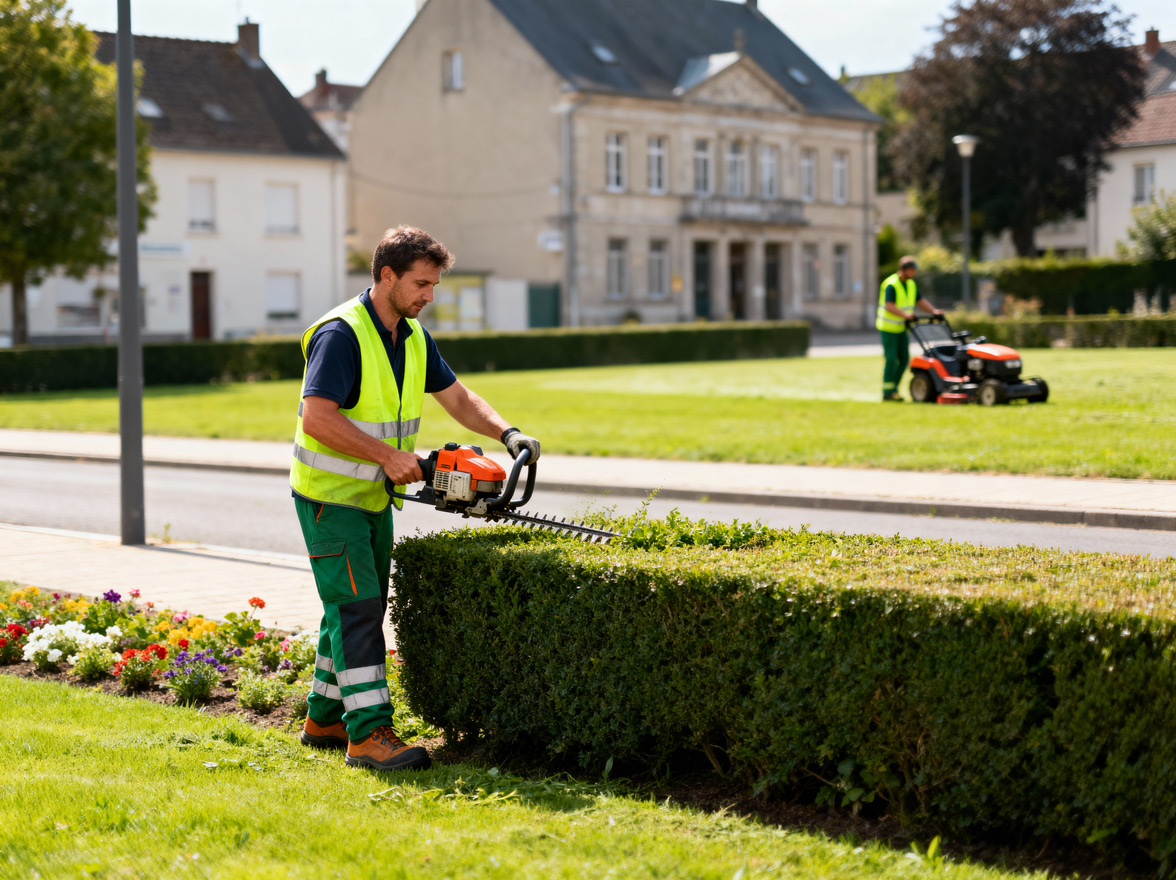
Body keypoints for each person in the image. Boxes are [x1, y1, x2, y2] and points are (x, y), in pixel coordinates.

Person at [289, 226, 540, 771]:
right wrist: (385, 456)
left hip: (373, 499)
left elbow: (457, 396)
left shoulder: (412, 335)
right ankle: (368, 736)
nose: (430, 296)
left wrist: (508, 435)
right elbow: (316, 419)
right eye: (422, 284)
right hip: (332, 500)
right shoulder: (343, 335)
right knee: (358, 612)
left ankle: (324, 718)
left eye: (434, 285)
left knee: (358, 604)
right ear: (386, 276)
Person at [876, 256, 942, 401]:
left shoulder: (911, 284)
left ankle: (894, 389)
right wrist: (906, 315)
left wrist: (934, 311)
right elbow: (889, 306)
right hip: (888, 329)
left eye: (914, 270)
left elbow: (920, 301)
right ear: (904, 270)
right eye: (911, 270)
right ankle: (887, 392)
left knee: (905, 359)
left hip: (902, 328)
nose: (913, 273)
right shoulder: (891, 284)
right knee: (892, 359)